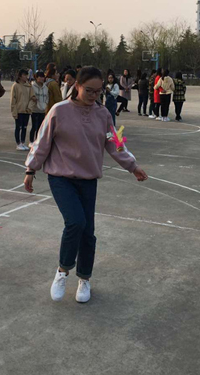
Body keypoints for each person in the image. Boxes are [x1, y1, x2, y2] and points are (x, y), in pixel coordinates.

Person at [24, 66, 148, 303]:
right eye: (89, 90)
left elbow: (115, 143)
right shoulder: (59, 111)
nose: (94, 96)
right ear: (77, 86)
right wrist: (31, 168)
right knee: (75, 222)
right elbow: (42, 142)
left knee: (88, 233)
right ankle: (62, 271)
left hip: (88, 179)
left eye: (98, 91)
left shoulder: (103, 115)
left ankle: (84, 278)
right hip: (61, 177)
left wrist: (132, 166)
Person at [11, 69, 35, 150]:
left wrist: (29, 108)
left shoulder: (29, 86)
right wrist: (14, 111)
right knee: (18, 127)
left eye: (26, 75)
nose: (26, 77)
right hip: (19, 110)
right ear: (20, 76)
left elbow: (32, 98)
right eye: (24, 75)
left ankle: (23, 142)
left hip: (27, 111)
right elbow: (13, 100)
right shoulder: (15, 86)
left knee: (24, 127)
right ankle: (18, 143)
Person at [30, 70, 49, 143]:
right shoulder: (32, 86)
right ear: (36, 78)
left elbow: (47, 97)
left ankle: (38, 141)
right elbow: (30, 96)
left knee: (40, 127)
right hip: (35, 109)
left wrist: (45, 104)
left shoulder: (45, 88)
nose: (42, 78)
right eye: (40, 77)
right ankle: (31, 141)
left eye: (43, 77)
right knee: (34, 126)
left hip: (42, 110)